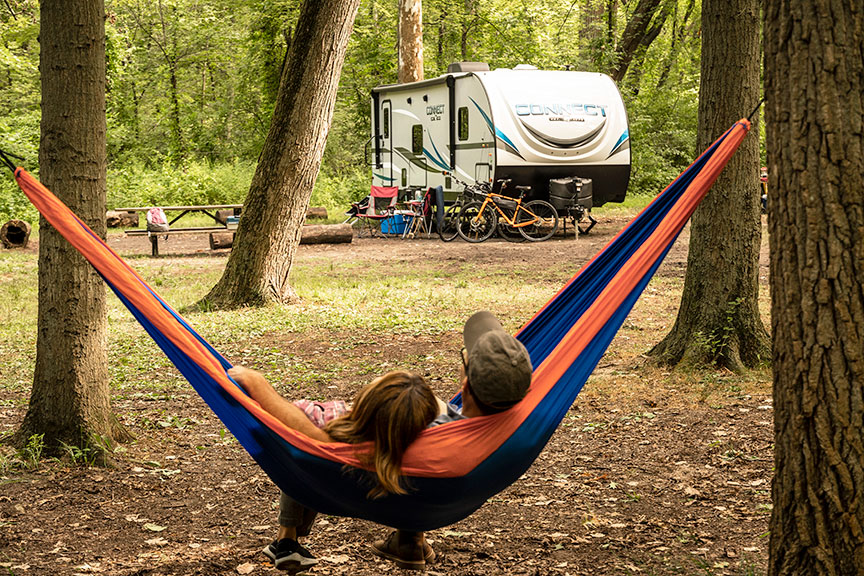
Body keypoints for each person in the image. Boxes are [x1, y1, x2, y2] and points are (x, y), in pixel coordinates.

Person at [227, 367, 439, 574]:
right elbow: (441, 414)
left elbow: (290, 419)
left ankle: (287, 538)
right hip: (390, 494)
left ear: (366, 404)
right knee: (413, 458)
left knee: (295, 454)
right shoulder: (431, 447)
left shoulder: (324, 420)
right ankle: (411, 538)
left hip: (322, 488)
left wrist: (257, 383)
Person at [369, 310, 533, 570]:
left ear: (466, 386)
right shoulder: (525, 428)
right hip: (450, 493)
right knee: (433, 403)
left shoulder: (435, 437)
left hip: (410, 491)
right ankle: (409, 539)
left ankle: (289, 534)